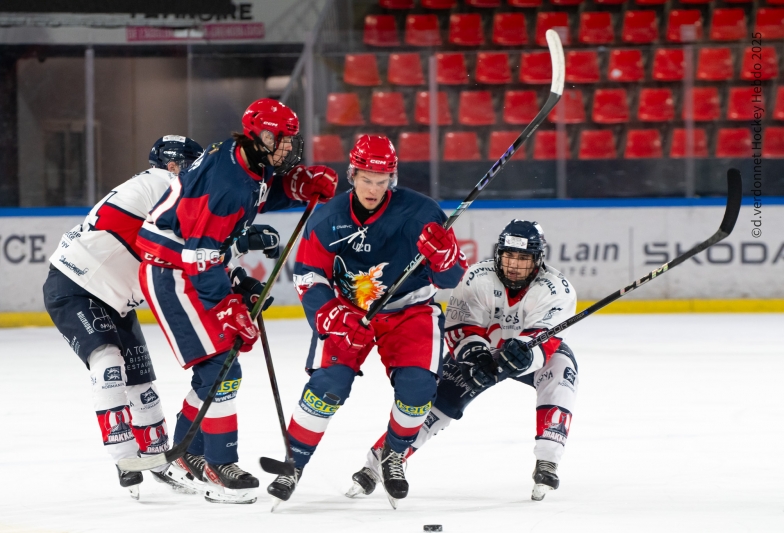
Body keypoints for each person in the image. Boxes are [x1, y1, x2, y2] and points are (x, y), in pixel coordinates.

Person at [135, 99, 338, 504]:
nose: (286, 148)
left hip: (193, 268)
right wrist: (226, 306)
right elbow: (198, 255)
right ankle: (217, 463)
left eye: (289, 141)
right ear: (259, 135)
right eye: (280, 140)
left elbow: (256, 197)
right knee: (222, 369)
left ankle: (187, 453)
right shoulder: (225, 182)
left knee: (219, 366)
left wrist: (295, 187)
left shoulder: (246, 160)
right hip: (174, 274)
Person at [267, 134, 469, 509]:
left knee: (418, 390)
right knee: (328, 386)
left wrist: (444, 259)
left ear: (392, 178)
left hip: (409, 311)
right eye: (366, 179)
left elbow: (452, 278)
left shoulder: (421, 212)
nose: (373, 189)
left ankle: (392, 455)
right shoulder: (328, 215)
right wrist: (328, 311)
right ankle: (292, 464)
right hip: (348, 313)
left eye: (382, 180)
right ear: (352, 175)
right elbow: (309, 274)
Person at [345, 220, 579, 503]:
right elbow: (461, 327)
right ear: (498, 254)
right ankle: (374, 467)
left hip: (524, 356)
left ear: (538, 259)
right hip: (479, 354)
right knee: (434, 409)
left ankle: (547, 460)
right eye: (508, 256)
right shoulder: (476, 277)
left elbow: (547, 338)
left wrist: (525, 354)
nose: (514, 265)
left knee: (562, 370)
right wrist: (474, 355)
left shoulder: (557, 289)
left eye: (523, 258)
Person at [43, 135, 204, 499]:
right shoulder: (162, 185)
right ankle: (123, 456)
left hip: (115, 299)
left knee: (142, 384)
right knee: (108, 363)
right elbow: (191, 243)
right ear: (176, 166)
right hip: (75, 286)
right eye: (193, 167)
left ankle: (159, 458)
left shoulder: (156, 186)